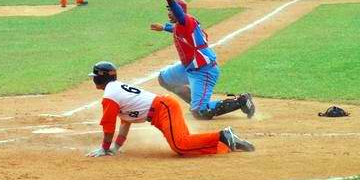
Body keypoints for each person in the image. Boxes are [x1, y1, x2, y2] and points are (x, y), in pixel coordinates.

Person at [85, 61, 254, 158]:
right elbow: (125, 123)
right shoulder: (116, 89)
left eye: (95, 76)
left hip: (163, 110)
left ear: (100, 77)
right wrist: (115, 147)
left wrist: (105, 147)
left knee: (180, 146)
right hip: (164, 109)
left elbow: (108, 127)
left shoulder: (110, 95)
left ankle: (223, 136)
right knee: (184, 143)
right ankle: (225, 141)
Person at [149, 0, 255, 120]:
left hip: (203, 71)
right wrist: (164, 27)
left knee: (200, 112)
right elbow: (176, 28)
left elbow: (180, 17)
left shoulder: (186, 20)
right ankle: (195, 102)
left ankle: (241, 101)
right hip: (188, 67)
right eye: (168, 10)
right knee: (164, 80)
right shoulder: (182, 25)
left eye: (171, 10)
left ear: (179, 11)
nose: (169, 13)